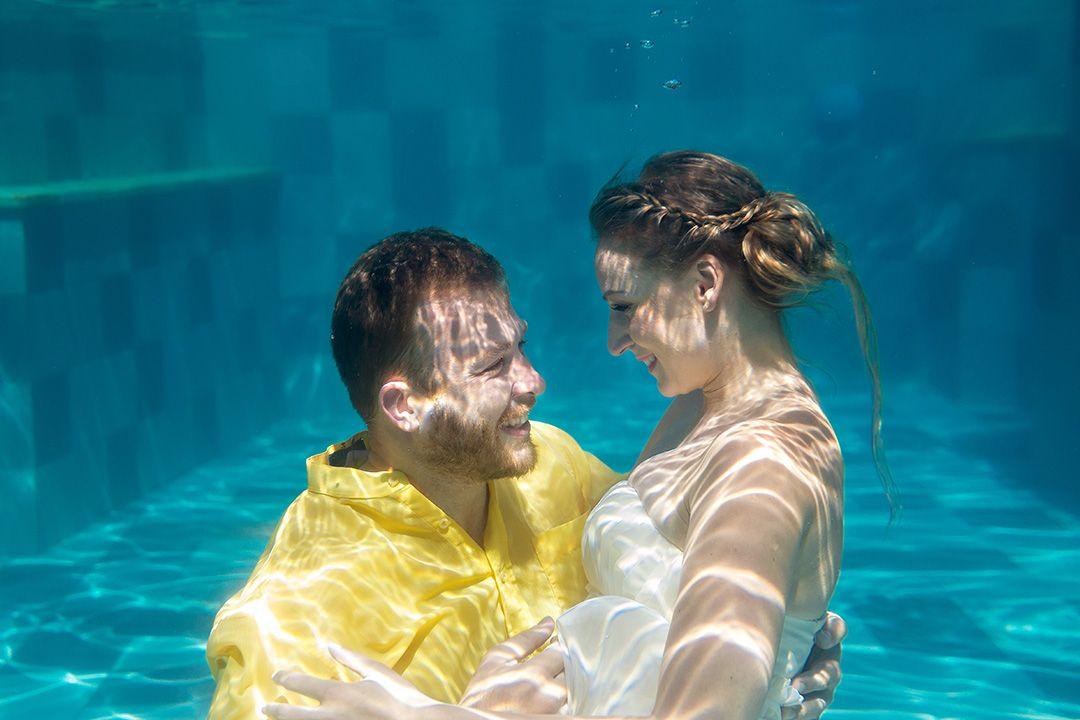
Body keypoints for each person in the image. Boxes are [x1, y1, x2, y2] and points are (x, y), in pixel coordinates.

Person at [264, 151, 893, 720]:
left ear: (705, 285)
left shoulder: (763, 462)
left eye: (624, 306)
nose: (614, 342)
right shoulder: (702, 406)